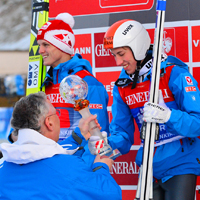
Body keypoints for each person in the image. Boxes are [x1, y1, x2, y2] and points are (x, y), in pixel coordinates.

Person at [102, 19, 200, 200]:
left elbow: (198, 123)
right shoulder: (122, 86)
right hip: (148, 166)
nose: (117, 61)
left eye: (121, 54)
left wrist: (168, 116)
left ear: (137, 47)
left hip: (180, 163)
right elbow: (123, 135)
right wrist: (106, 146)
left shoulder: (172, 73)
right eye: (114, 55)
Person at [9, 13, 109, 146]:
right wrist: (16, 134)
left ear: (62, 45)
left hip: (74, 162)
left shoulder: (87, 82)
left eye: (46, 45)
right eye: (39, 45)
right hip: (46, 160)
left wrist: (79, 164)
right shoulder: (44, 83)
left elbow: (97, 134)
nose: (40, 51)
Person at [0, 92, 122, 200]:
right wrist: (101, 167)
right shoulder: (69, 168)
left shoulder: (4, 163)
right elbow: (110, 194)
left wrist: (78, 136)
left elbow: (42, 154)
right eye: (56, 112)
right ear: (49, 122)